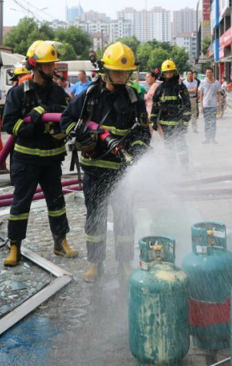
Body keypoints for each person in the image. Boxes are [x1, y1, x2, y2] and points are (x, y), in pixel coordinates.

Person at [61, 42, 151, 283]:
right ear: (105, 71)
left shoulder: (134, 98)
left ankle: (124, 263)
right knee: (95, 218)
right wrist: (81, 134)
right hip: (94, 171)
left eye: (125, 72)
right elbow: (66, 120)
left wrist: (136, 153)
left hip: (122, 173)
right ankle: (95, 263)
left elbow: (143, 133)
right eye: (117, 71)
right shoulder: (90, 95)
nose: (121, 76)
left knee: (124, 218)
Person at [1, 40, 77, 266]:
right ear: (34, 65)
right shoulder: (18, 94)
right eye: (47, 64)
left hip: (52, 159)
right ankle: (14, 245)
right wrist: (31, 124)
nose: (52, 68)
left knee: (57, 203)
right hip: (26, 160)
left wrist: (61, 132)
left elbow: (67, 118)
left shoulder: (58, 93)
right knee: (20, 204)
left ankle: (60, 242)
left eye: (52, 64)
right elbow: (9, 125)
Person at [151, 59, 190, 167]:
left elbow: (187, 103)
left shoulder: (180, 86)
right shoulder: (160, 87)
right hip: (165, 123)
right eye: (166, 72)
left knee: (181, 145)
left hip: (179, 122)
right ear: (163, 73)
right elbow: (155, 104)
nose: (168, 74)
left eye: (170, 71)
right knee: (169, 145)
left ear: (174, 72)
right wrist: (153, 120)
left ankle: (184, 166)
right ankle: (171, 167)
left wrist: (185, 122)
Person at [198, 67, 222, 144]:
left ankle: (213, 138)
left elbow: (219, 94)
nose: (209, 73)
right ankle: (207, 138)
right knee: (206, 123)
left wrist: (219, 105)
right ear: (205, 74)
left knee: (213, 123)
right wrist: (201, 106)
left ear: (212, 73)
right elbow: (201, 95)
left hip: (214, 105)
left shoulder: (217, 83)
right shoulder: (203, 82)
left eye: (210, 72)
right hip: (205, 105)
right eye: (207, 72)